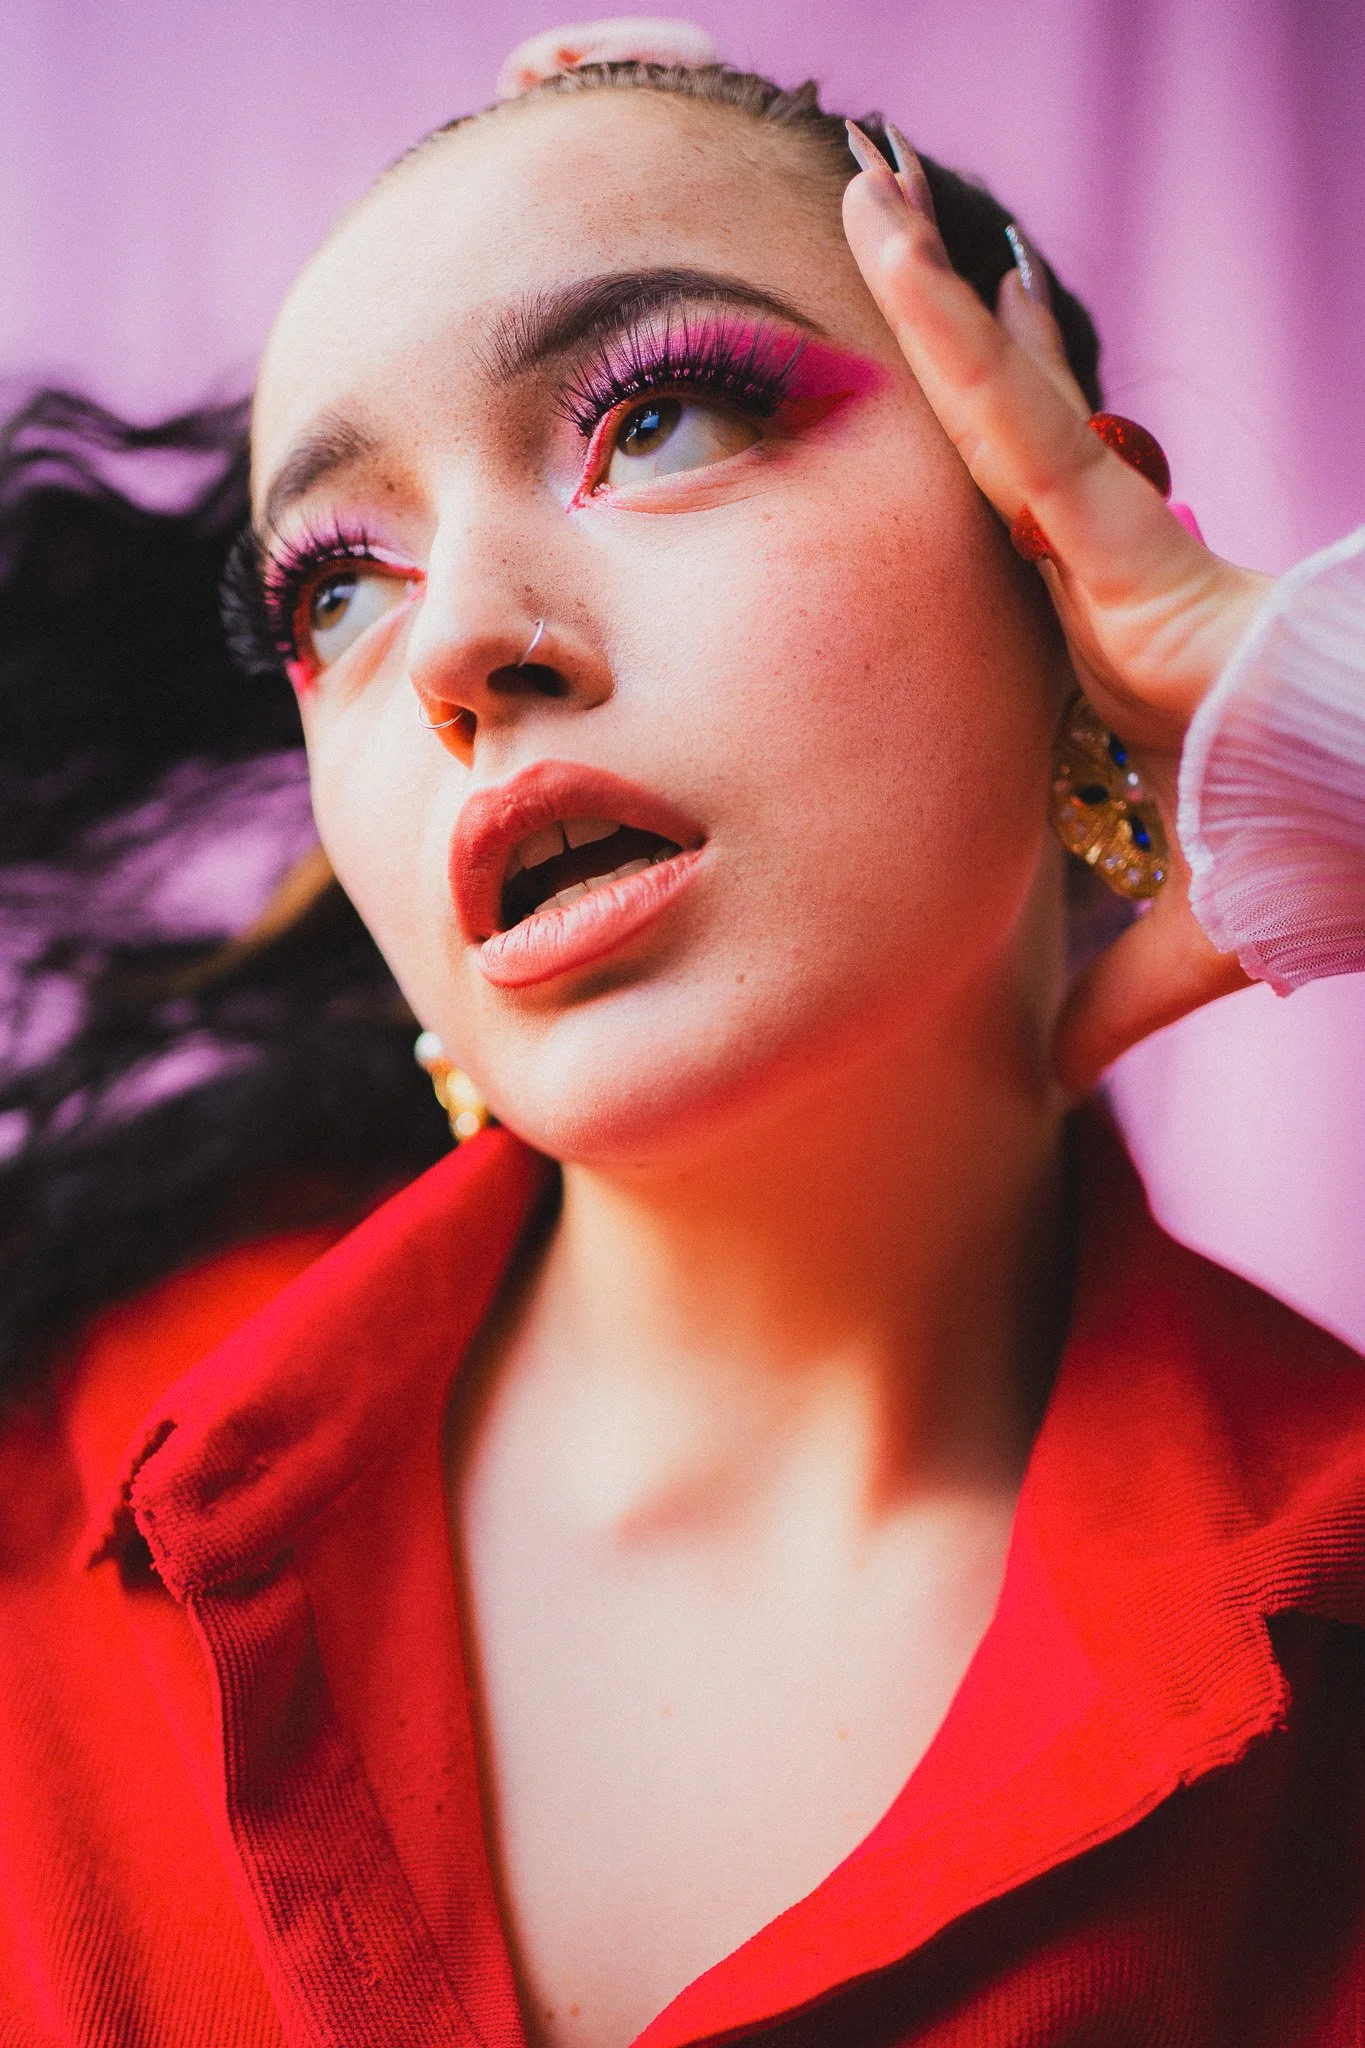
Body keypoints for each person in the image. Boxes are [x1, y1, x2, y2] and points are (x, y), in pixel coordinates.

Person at [2, 22, 1365, 2047]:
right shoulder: (43, 1478)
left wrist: (1334, 717)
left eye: (657, 421)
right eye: (335, 591)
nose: (460, 649)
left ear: (1064, 544)